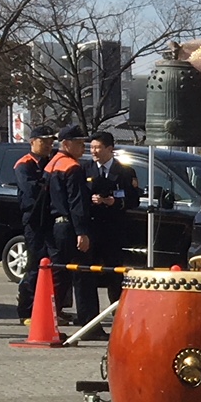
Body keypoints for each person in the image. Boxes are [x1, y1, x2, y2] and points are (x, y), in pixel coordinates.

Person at [77, 133, 138, 328]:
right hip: (92, 227)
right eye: (92, 147)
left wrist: (115, 202)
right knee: (88, 273)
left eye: (98, 147)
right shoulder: (84, 169)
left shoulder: (125, 172)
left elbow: (134, 199)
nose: (94, 151)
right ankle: (89, 319)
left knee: (114, 273)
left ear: (110, 149)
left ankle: (119, 314)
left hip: (113, 229)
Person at [43, 125, 95, 322]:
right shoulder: (72, 167)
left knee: (58, 275)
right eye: (79, 143)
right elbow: (77, 202)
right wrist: (82, 231)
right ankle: (88, 321)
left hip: (54, 226)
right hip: (70, 227)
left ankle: (49, 317)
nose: (83, 147)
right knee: (83, 275)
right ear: (66, 144)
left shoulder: (51, 165)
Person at [14, 125, 57, 322]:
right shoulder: (25, 164)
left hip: (50, 218)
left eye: (51, 141)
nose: (48, 145)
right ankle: (26, 310)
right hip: (33, 219)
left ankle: (51, 309)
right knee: (34, 265)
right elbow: (33, 191)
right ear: (32, 142)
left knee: (53, 265)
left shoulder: (53, 161)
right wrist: (46, 183)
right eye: (43, 141)